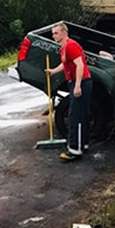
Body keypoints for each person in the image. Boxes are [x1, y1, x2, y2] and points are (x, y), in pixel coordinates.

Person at [45, 23, 93, 162]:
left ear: (64, 33)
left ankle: (74, 150)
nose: (54, 36)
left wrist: (77, 86)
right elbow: (66, 64)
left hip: (81, 82)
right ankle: (83, 144)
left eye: (56, 33)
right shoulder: (64, 47)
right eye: (53, 33)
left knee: (75, 116)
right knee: (82, 114)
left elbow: (80, 65)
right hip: (79, 82)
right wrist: (54, 71)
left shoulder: (71, 45)